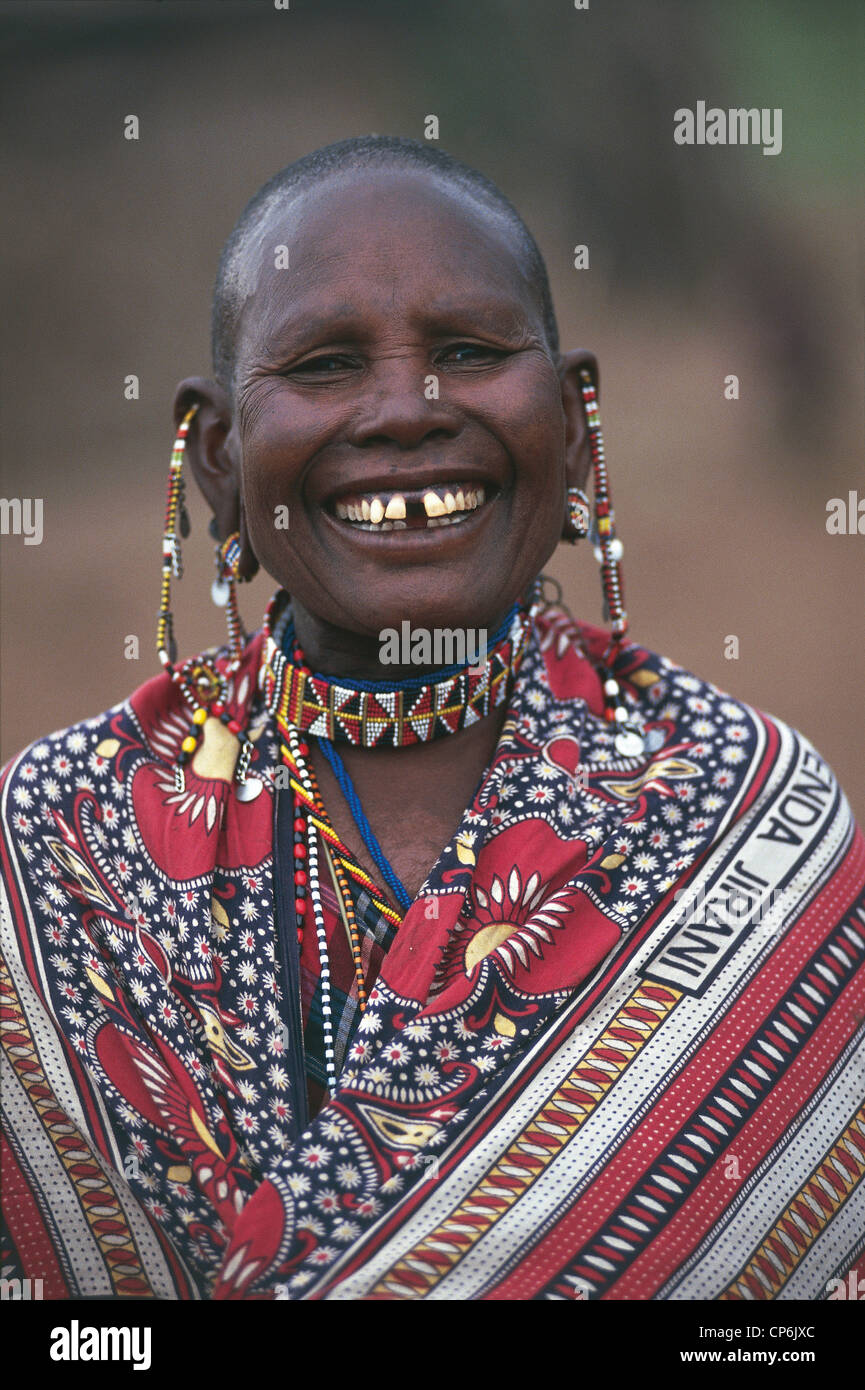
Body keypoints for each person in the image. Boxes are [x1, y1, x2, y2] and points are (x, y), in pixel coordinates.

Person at [1, 136, 863, 1302]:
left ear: (569, 421)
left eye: (469, 349)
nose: (407, 410)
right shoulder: (61, 839)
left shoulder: (751, 812)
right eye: (322, 364)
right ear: (215, 457)